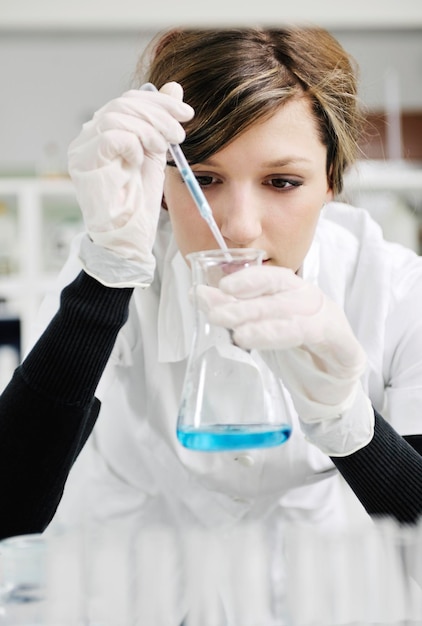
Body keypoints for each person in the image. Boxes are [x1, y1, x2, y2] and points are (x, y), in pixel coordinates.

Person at [5, 26, 422, 543]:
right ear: (162, 181)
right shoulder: (114, 267)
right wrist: (105, 278)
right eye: (203, 178)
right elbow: (10, 511)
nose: (240, 227)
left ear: (332, 179)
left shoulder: (398, 291)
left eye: (282, 182)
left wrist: (347, 418)